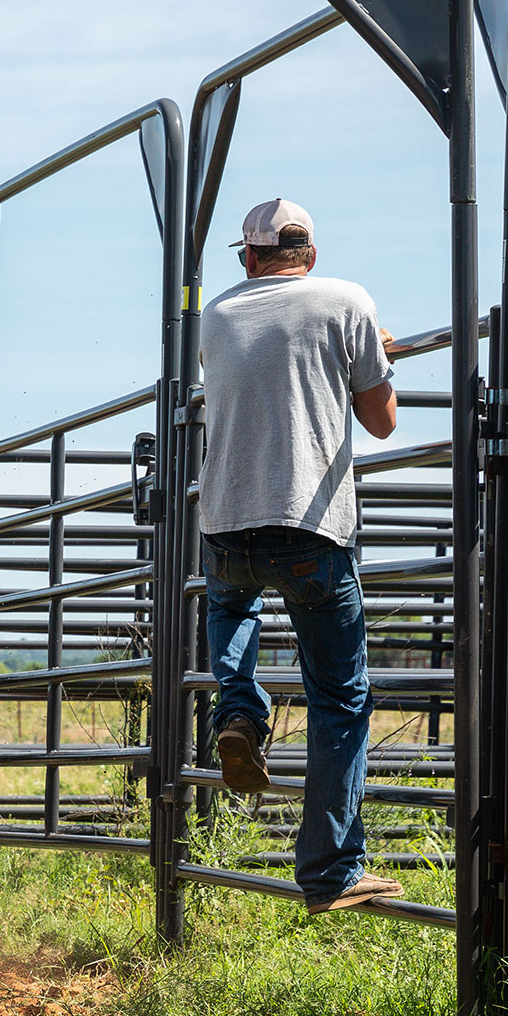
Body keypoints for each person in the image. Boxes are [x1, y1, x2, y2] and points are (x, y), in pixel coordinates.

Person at [197, 199, 402, 915]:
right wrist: (375, 356)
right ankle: (330, 870)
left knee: (230, 604)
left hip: (224, 524)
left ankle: (240, 710)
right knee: (340, 698)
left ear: (250, 258)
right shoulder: (347, 301)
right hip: (310, 528)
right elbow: (380, 422)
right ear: (309, 254)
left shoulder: (216, 315)